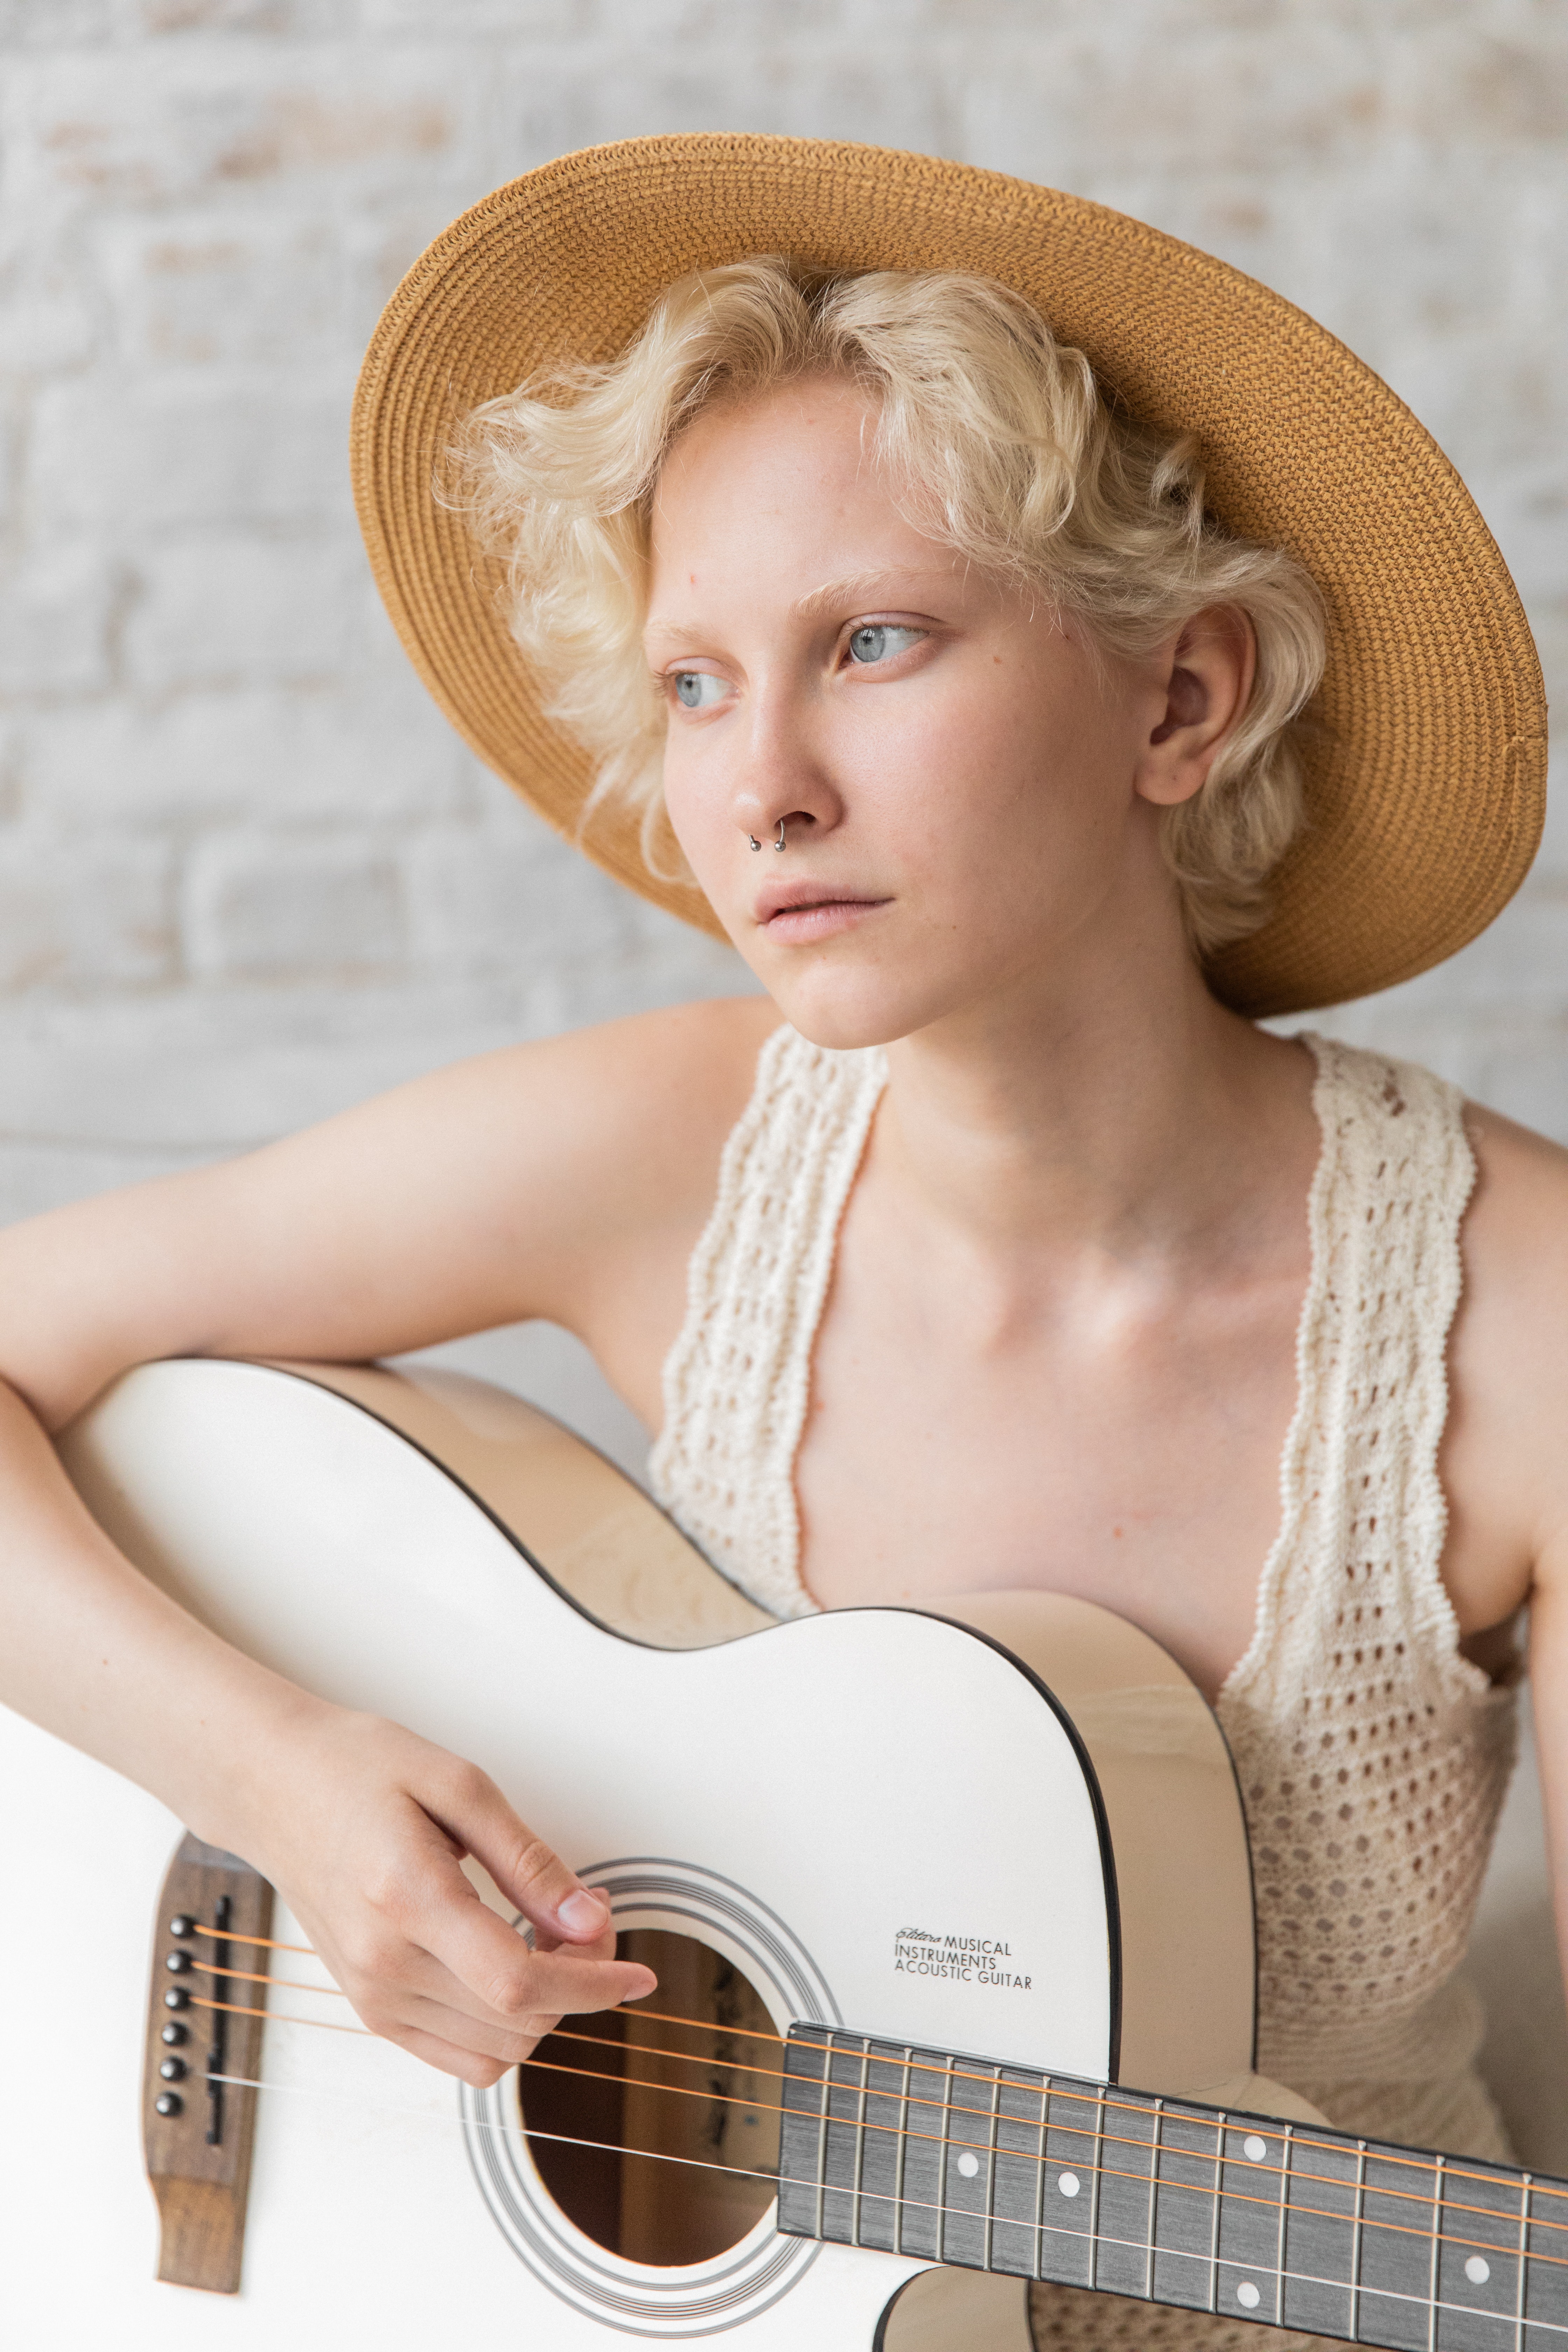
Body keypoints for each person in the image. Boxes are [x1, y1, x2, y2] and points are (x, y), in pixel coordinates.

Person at [1, 135, 1561, 2343]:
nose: (761, 790)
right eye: (699, 683)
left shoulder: (1529, 1333)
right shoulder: (667, 1151)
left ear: (1182, 699)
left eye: (875, 643)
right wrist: (279, 1780)